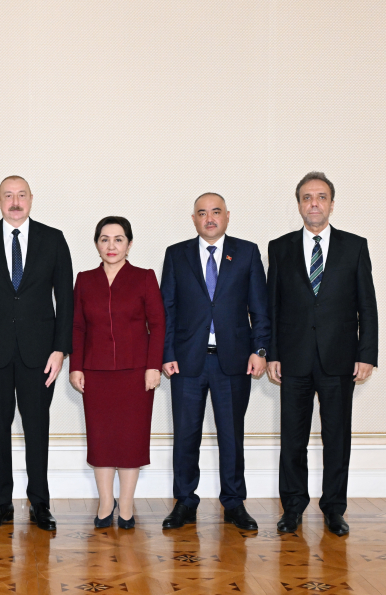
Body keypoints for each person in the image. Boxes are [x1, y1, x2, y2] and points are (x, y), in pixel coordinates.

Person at [268, 172, 378, 536]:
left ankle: (334, 509)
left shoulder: (355, 246)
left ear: (331, 204)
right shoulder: (279, 248)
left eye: (321, 197)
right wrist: (272, 354)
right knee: (292, 439)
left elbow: (367, 305)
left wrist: (367, 353)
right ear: (299, 204)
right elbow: (272, 307)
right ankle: (292, 508)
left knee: (337, 439)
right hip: (293, 359)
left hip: (339, 359)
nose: (313, 203)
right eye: (306, 197)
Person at [0, 175, 73, 532]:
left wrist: (60, 350)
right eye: (8, 196)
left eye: (21, 195)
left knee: (37, 429)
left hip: (40, 355)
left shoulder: (53, 239)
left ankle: (40, 503)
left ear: (31, 199)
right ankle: (1, 504)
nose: (15, 202)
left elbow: (66, 300)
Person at [159, 193, 270, 531]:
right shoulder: (176, 254)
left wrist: (260, 350)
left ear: (227, 216)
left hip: (233, 362)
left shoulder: (247, 252)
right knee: (186, 436)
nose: (209, 218)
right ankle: (185, 502)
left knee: (231, 436)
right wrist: (167, 354)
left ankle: (234, 503)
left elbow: (260, 308)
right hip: (186, 363)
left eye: (216, 212)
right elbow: (167, 309)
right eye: (202, 213)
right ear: (193, 218)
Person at [69, 216, 164, 529]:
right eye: (105, 239)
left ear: (129, 244)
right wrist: (75, 366)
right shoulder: (84, 280)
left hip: (136, 373)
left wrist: (153, 366)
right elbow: (77, 327)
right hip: (95, 373)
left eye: (118, 239)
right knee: (102, 440)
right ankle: (105, 503)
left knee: (130, 440)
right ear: (97, 244)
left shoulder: (144, 277)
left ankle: (125, 505)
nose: (111, 246)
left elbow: (158, 324)